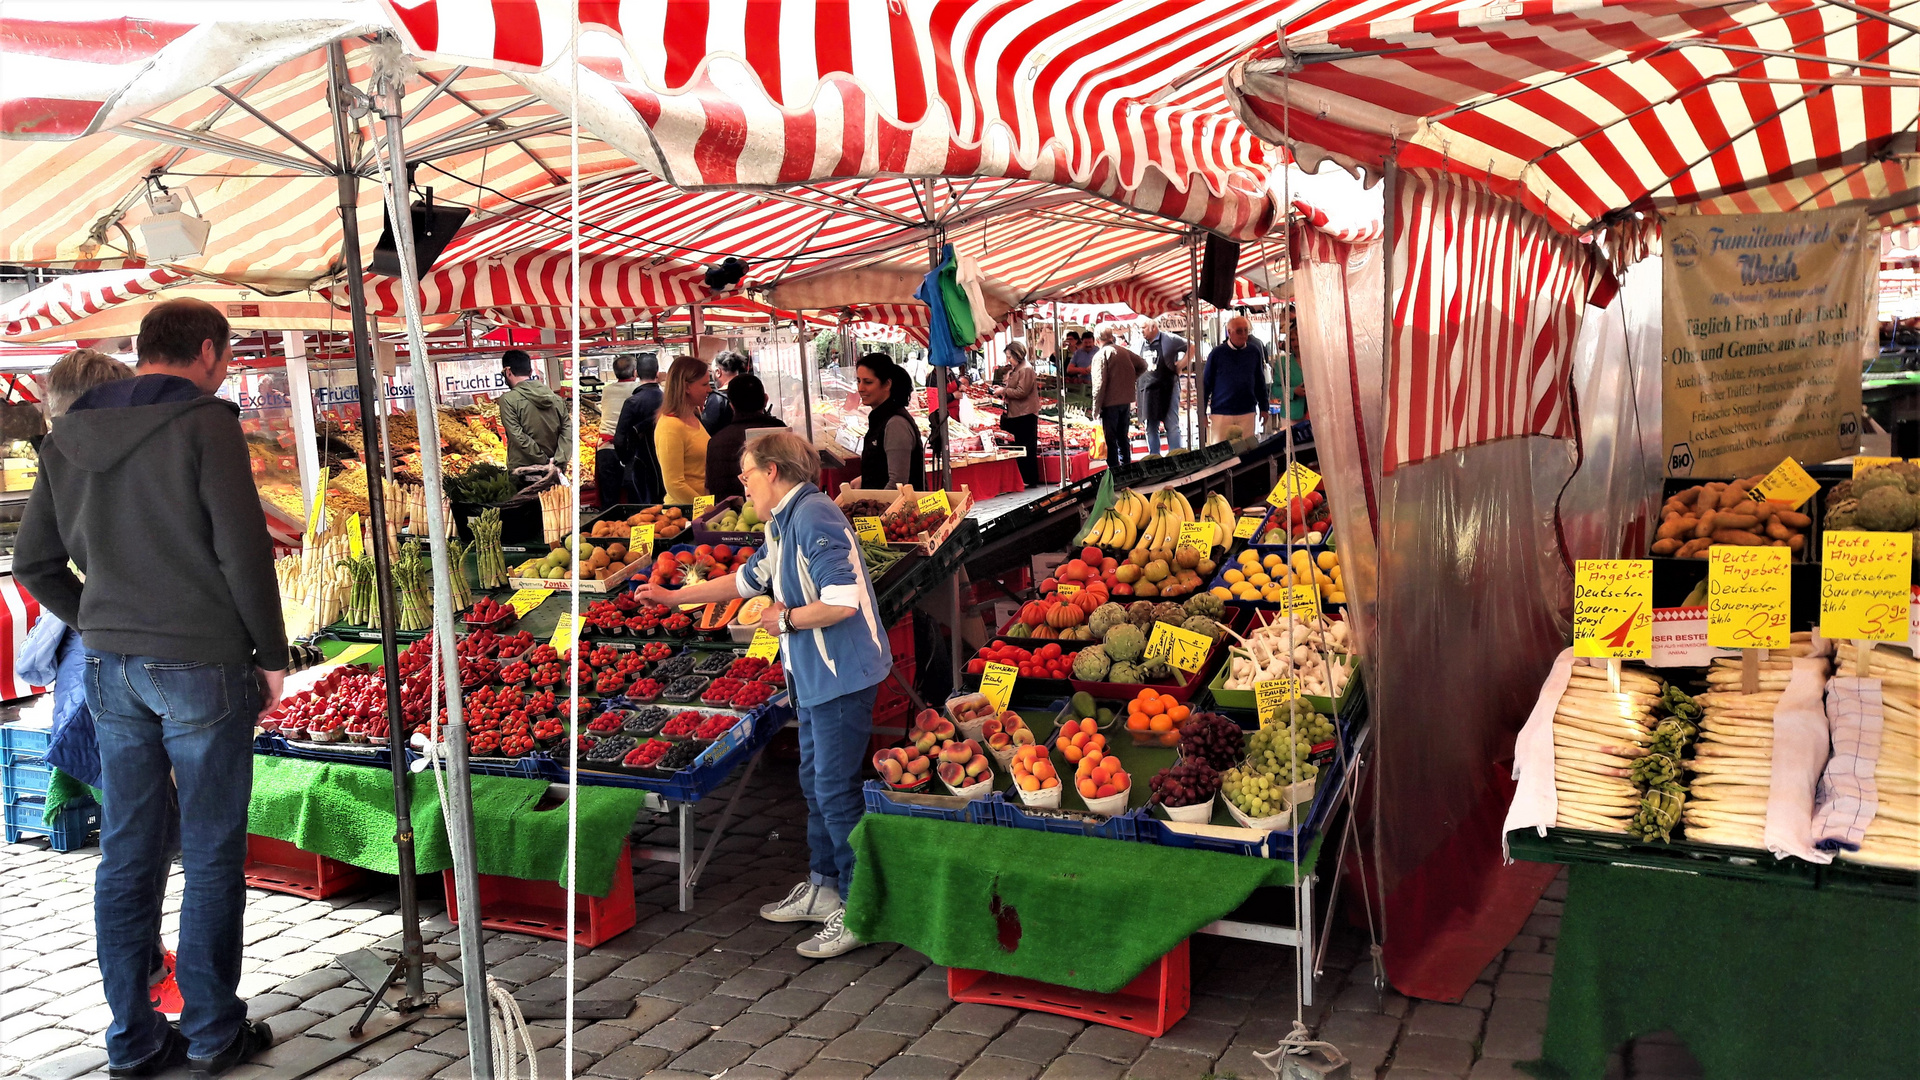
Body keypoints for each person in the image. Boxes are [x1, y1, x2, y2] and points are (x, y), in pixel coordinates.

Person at [15, 298, 285, 1079]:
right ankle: (211, 1029)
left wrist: (97, 617)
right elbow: (245, 552)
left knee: (127, 855)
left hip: (108, 666)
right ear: (207, 350)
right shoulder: (206, 422)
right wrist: (270, 653)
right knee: (208, 852)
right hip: (201, 663)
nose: (226, 369)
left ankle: (133, 1038)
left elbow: (33, 565)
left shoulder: (67, 435)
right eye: (227, 356)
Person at [637, 431, 891, 959]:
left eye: (747, 473)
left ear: (773, 471)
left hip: (842, 676)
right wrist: (675, 596)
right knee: (814, 781)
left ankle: (859, 906)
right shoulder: (783, 522)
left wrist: (787, 619)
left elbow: (842, 602)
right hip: (817, 677)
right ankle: (824, 886)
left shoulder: (815, 518)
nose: (742, 483)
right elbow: (746, 581)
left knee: (836, 790)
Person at [704, 374, 787, 500]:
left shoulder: (715, 442)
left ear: (731, 406)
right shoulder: (781, 433)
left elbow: (712, 489)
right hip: (781, 513)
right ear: (765, 400)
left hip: (729, 517)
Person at [497, 349, 572, 487]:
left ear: (508, 372)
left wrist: (543, 461)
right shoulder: (555, 398)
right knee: (553, 507)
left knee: (528, 508)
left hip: (524, 472)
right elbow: (567, 430)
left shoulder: (507, 400)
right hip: (555, 470)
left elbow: (518, 436)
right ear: (530, 372)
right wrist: (557, 460)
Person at [855, 353, 925, 489]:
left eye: (868, 382)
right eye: (858, 381)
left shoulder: (895, 424)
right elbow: (883, 469)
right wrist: (864, 480)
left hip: (899, 509)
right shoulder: (880, 418)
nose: (860, 388)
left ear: (887, 384)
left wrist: (881, 510)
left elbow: (897, 484)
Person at [1202, 314, 1269, 444]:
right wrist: (1202, 412)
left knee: (1246, 453)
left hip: (1247, 412)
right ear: (1229, 333)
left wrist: (1264, 407)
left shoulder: (1254, 352)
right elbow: (1205, 383)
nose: (1243, 334)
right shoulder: (1217, 353)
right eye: (1239, 331)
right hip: (1221, 412)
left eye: (1246, 330)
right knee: (1220, 453)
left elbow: (1259, 382)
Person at [655, 354, 712, 502]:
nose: (709, 389)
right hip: (684, 512)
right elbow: (674, 484)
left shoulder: (693, 416)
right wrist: (706, 509)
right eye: (704, 384)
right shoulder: (670, 427)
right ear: (686, 387)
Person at [1091, 326, 1147, 471]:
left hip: (1110, 403)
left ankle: (1115, 471)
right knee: (1123, 437)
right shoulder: (1123, 351)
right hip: (1125, 401)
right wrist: (1130, 379)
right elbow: (1143, 364)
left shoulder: (1101, 355)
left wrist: (1095, 409)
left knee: (1111, 439)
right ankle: (1127, 468)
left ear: (1097, 340)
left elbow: (1099, 384)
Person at [614, 353, 664, 504]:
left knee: (644, 511)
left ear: (636, 373)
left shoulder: (632, 402)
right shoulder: (668, 399)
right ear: (657, 373)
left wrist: (625, 460)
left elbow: (619, 439)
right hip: (666, 462)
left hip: (640, 464)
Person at [992, 341, 1041, 486]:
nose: (1008, 360)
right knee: (1022, 445)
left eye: (1009, 357)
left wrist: (1004, 391)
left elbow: (1022, 392)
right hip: (1019, 412)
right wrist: (1002, 388)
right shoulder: (1019, 368)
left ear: (1017, 355)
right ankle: (1025, 477)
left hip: (1025, 413)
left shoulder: (1025, 369)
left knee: (1026, 447)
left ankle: (1030, 478)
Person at [1138, 318, 1187, 455]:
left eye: (1143, 328)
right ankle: (1154, 458)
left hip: (1168, 388)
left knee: (1171, 425)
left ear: (1153, 327)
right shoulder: (1140, 343)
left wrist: (1181, 365)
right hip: (1148, 390)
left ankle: (1176, 456)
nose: (1141, 331)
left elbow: (1192, 346)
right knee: (1150, 427)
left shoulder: (1170, 339)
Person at [594, 355, 638, 506]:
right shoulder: (637, 389)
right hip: (630, 451)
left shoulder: (607, 390)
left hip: (605, 449)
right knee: (634, 498)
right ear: (635, 372)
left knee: (609, 499)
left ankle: (608, 525)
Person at [701, 351, 750, 434]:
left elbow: (706, 429)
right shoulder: (750, 392)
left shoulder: (716, 399)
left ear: (718, 372)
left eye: (712, 372)